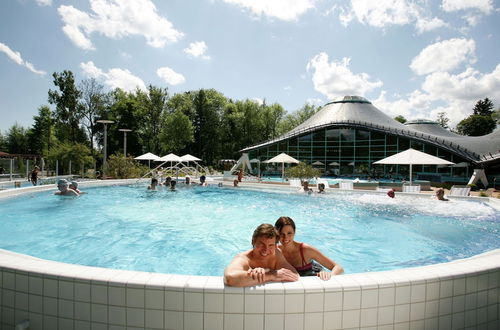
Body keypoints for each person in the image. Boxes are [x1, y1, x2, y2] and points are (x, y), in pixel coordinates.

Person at [224, 223, 299, 287]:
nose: (266, 249)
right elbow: (229, 278)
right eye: (262, 244)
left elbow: (295, 275)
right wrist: (270, 275)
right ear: (253, 242)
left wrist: (268, 272)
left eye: (271, 245)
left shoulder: (276, 255)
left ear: (276, 246)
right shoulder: (243, 259)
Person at [274, 216, 343, 280]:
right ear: (277, 235)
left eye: (289, 233)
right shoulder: (275, 251)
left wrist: (329, 275)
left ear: (294, 232)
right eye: (281, 234)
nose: (286, 238)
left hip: (312, 273)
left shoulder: (305, 250)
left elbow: (338, 267)